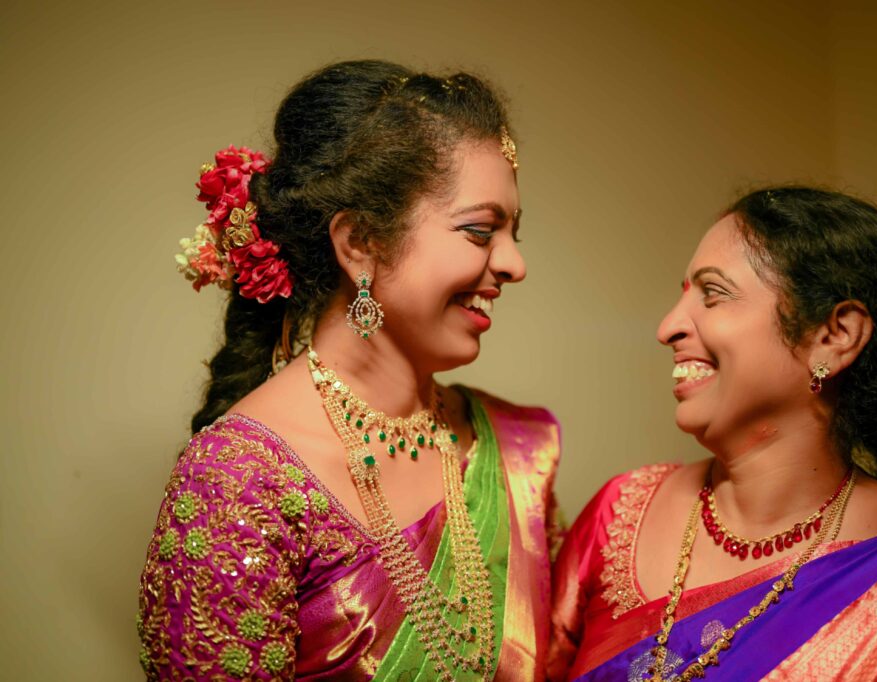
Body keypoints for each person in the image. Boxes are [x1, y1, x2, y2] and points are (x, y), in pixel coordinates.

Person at [137, 60, 560, 681]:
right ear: (360, 242)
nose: (515, 264)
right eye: (480, 231)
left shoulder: (516, 449)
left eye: (514, 233)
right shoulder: (238, 483)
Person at [547, 187, 877, 681]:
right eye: (682, 293)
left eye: (713, 294)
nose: (668, 326)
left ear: (835, 336)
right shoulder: (619, 514)